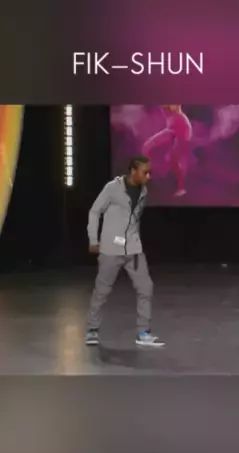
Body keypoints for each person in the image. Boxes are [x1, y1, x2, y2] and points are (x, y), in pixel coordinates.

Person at [85, 156, 165, 347]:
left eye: (150, 172)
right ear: (133, 171)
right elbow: (95, 211)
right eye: (145, 172)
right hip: (111, 249)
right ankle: (92, 329)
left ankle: (143, 332)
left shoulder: (143, 191)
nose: (149, 176)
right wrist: (93, 239)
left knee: (145, 287)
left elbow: (133, 220)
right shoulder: (113, 188)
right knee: (102, 291)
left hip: (134, 249)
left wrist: (134, 239)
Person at [142, 105, 193, 197]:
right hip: (173, 127)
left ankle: (181, 188)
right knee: (147, 146)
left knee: (174, 160)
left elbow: (174, 108)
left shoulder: (175, 108)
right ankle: (148, 173)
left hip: (181, 127)